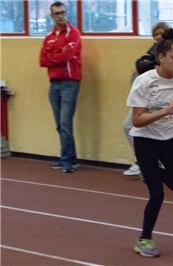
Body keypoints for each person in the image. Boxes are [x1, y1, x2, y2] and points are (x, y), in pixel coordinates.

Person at [127, 28, 173, 258]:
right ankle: (144, 239)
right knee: (157, 194)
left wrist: (170, 122)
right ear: (162, 58)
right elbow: (137, 120)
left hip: (166, 140)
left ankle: (151, 172)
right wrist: (165, 110)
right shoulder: (144, 82)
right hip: (144, 140)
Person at [122, 22, 170, 176]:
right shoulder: (153, 49)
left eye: (161, 34)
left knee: (160, 134)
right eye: (155, 34)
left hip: (164, 99)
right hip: (147, 97)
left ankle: (158, 164)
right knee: (129, 126)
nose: (158, 37)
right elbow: (143, 65)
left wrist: (153, 68)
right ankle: (143, 161)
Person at [39, 2, 82, 173]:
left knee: (65, 123)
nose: (60, 16)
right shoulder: (49, 36)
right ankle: (71, 157)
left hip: (70, 84)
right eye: (57, 13)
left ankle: (66, 161)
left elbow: (67, 56)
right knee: (60, 124)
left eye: (63, 12)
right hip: (54, 85)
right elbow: (42, 61)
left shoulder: (74, 34)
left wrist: (53, 56)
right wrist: (56, 56)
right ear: (52, 16)